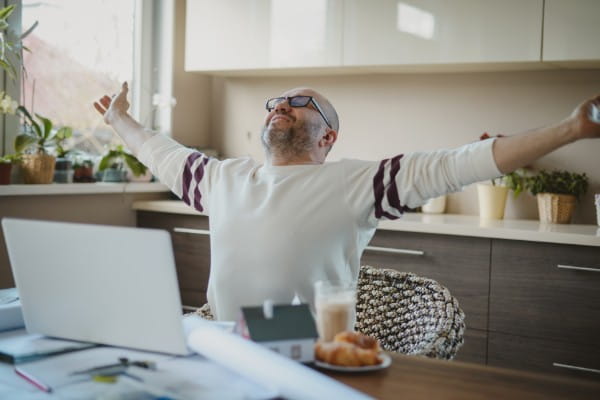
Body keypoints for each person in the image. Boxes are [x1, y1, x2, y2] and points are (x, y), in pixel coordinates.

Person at [94, 83, 600, 321]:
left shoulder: (360, 183)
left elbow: (461, 163)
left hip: (308, 351)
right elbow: (159, 152)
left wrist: (571, 129)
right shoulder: (222, 178)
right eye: (277, 102)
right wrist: (118, 118)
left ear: (328, 137)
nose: (282, 106)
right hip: (224, 345)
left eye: (301, 102)